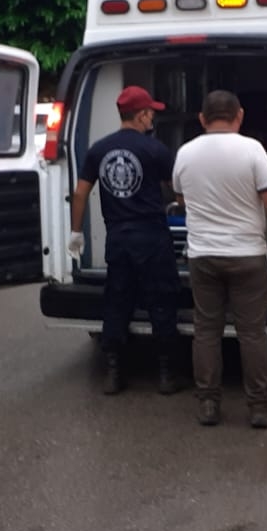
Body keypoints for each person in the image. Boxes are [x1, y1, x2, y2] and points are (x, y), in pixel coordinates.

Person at [173, 90, 267, 429]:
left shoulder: (185, 153)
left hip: (202, 256)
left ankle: (207, 404)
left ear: (202, 119)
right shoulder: (252, 150)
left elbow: (181, 197)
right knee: (251, 333)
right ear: (240, 116)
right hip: (247, 256)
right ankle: (259, 407)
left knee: (205, 331)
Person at [70, 86, 181, 395]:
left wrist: (76, 232)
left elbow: (80, 192)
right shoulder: (155, 150)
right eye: (151, 113)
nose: (153, 118)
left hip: (117, 237)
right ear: (141, 114)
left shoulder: (98, 150)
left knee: (117, 302)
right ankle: (166, 374)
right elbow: (176, 188)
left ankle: (114, 373)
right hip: (152, 237)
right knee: (161, 302)